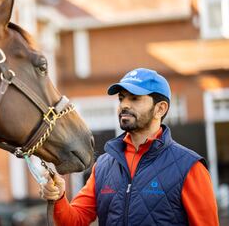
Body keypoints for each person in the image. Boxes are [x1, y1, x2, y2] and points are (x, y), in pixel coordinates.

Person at [40, 68, 219, 226]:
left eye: (134, 98)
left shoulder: (189, 166)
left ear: (160, 109)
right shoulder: (103, 165)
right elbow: (75, 221)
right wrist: (59, 197)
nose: (124, 105)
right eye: (121, 98)